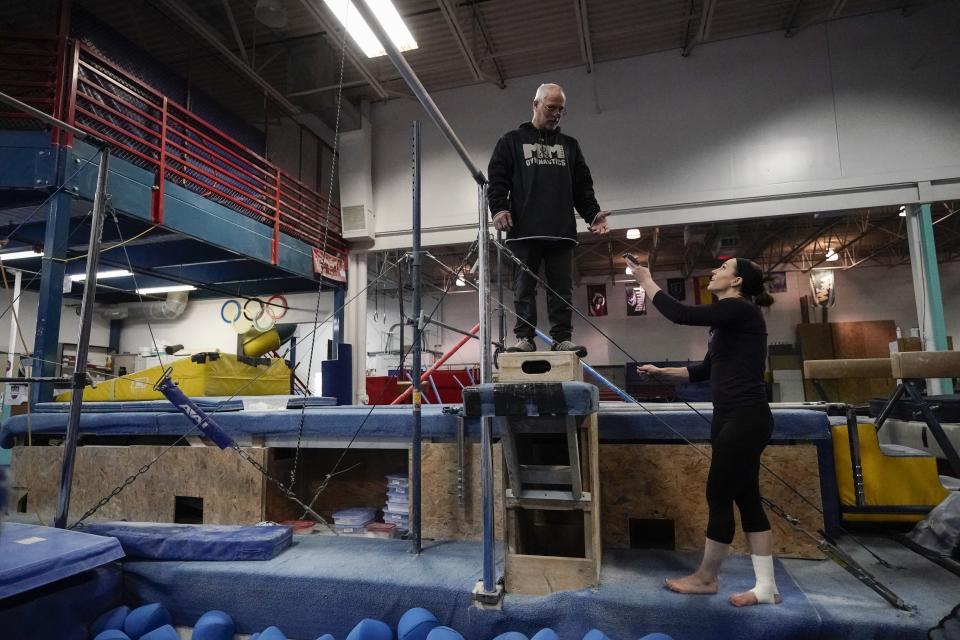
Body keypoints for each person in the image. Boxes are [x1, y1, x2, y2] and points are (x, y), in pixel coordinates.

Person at [628, 255, 780, 607]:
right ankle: (765, 587)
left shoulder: (739, 310)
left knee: (718, 494)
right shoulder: (729, 323)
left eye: (723, 269)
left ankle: (706, 578)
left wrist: (646, 279)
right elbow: (703, 371)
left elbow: (681, 314)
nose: (713, 272)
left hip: (745, 417)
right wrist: (661, 372)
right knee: (747, 498)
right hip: (732, 417)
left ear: (737, 281)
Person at [487, 83, 609, 357]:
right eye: (550, 107)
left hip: (560, 230)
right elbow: (497, 180)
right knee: (523, 289)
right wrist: (498, 209)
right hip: (524, 230)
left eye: (561, 110)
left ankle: (562, 339)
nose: (556, 114)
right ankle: (525, 338)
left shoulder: (570, 146)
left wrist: (593, 214)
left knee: (561, 290)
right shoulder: (511, 141)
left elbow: (582, 187)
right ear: (535, 105)